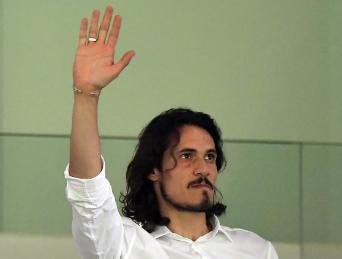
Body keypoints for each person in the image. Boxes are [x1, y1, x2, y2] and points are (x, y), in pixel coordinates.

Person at [65, 5, 279, 259]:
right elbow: (88, 193)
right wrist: (87, 95)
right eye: (187, 155)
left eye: (210, 156)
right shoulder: (125, 245)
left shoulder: (256, 250)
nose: (203, 169)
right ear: (153, 170)